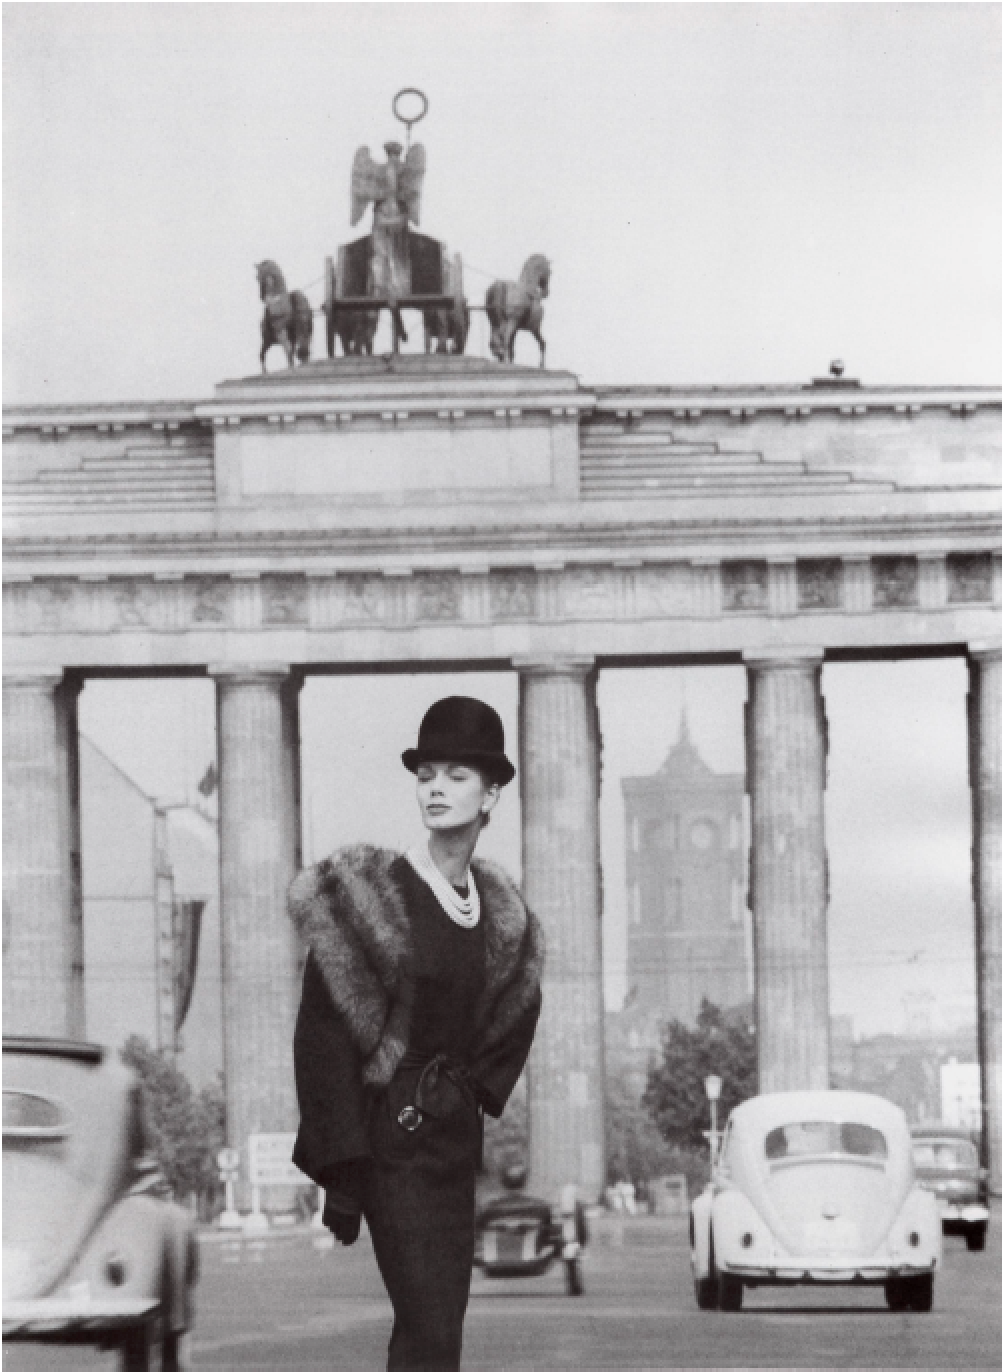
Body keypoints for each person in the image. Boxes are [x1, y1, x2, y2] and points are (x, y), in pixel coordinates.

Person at [289, 696, 543, 1371]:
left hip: (453, 1145)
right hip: (389, 1144)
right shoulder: (371, 899)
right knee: (428, 1324)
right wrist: (343, 1168)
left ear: (491, 794)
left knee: (440, 1332)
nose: (435, 787)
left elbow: (519, 1004)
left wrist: (477, 1089)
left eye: (457, 775)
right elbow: (322, 1036)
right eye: (426, 774)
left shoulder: (499, 914)